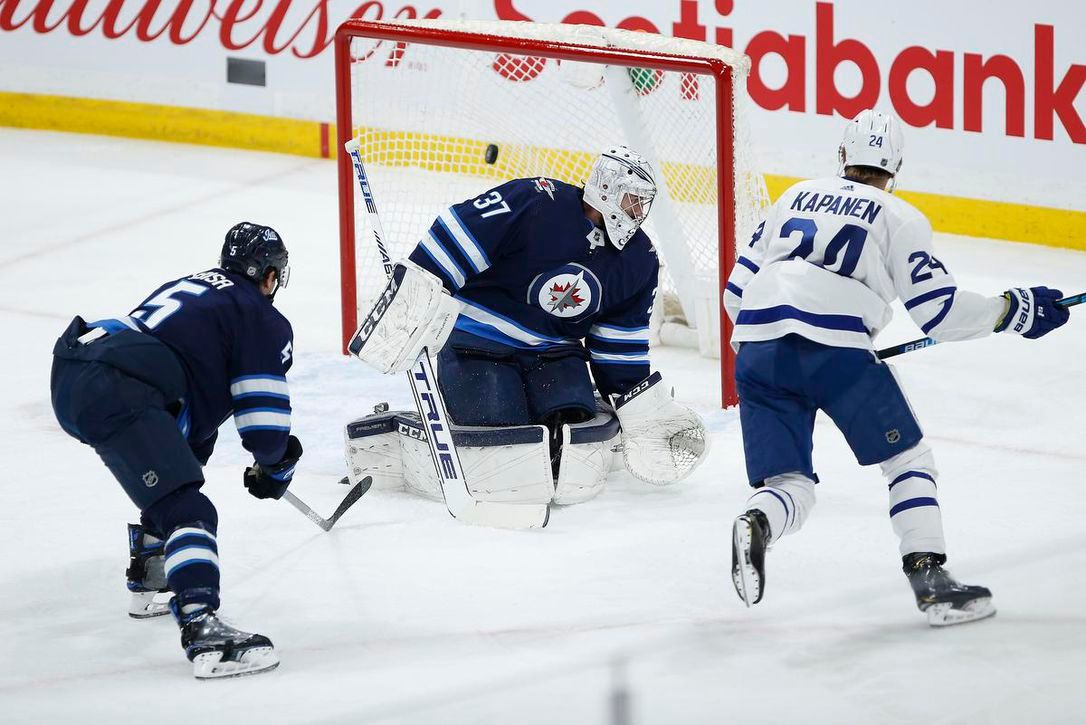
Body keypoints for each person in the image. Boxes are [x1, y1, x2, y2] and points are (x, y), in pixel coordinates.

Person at [724, 110, 1071, 626]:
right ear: (897, 166)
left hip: (755, 345)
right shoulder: (899, 216)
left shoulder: (791, 197)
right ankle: (931, 582)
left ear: (843, 156)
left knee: (789, 482)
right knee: (909, 461)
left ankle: (759, 517)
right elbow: (940, 312)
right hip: (836, 352)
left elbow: (735, 295)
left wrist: (793, 339)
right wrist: (1011, 309)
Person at [348, 147, 707, 506]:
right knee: (501, 432)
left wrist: (631, 400)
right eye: (631, 201)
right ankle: (398, 442)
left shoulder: (638, 260)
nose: (637, 213)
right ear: (606, 188)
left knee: (571, 430)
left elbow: (617, 345)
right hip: (477, 343)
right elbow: (457, 236)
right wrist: (414, 297)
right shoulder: (535, 201)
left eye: (643, 204)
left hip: (554, 355)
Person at [50, 222, 301, 677]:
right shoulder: (259, 316)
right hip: (119, 385)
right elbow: (264, 431)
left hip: (78, 363)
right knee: (189, 510)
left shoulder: (194, 286)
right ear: (269, 275)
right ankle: (203, 630)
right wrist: (278, 465)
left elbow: (188, 401)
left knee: (182, 464)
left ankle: (151, 577)